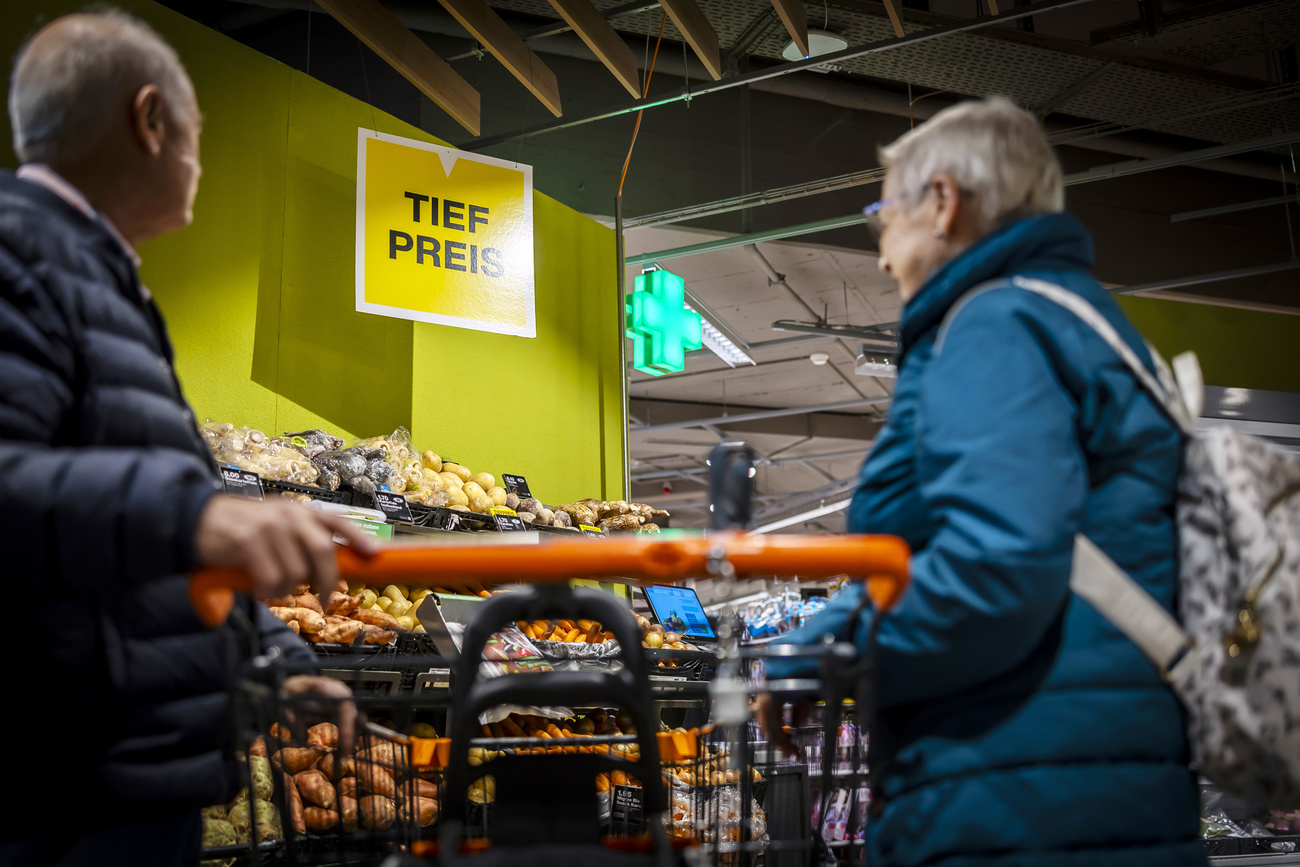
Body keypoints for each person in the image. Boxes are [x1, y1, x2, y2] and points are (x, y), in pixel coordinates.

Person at [759, 98, 1204, 866]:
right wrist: (817, 640)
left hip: (1014, 803)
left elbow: (997, 565)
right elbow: (966, 548)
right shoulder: (1074, 321)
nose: (880, 254)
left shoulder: (994, 325)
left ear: (942, 203)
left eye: (882, 213)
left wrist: (844, 660)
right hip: (1085, 784)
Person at [0, 10, 375, 863]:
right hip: (62, 793)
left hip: (132, 781)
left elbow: (146, 553)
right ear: (151, 119)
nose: (200, 159)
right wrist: (197, 516)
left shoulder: (102, 283)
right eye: (197, 131)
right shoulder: (19, 256)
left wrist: (276, 660)